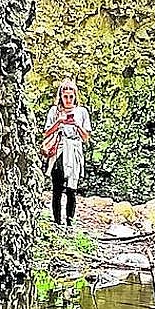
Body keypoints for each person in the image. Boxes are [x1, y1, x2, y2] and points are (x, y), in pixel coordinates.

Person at [42, 79, 92, 226]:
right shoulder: (54, 111)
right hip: (60, 149)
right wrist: (59, 122)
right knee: (57, 188)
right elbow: (46, 133)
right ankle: (57, 222)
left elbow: (85, 137)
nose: (68, 100)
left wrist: (76, 124)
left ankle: (70, 223)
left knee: (72, 189)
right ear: (61, 97)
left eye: (71, 96)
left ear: (75, 96)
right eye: (66, 96)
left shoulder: (82, 112)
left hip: (74, 150)